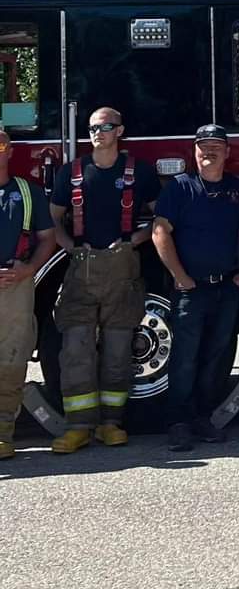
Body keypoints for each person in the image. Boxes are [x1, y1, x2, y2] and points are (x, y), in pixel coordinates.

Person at [48, 106, 160, 453]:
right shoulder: (73, 173)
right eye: (94, 127)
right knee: (76, 349)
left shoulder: (139, 173)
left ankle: (111, 424)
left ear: (120, 131)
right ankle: (78, 426)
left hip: (122, 271)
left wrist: (133, 242)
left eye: (106, 126)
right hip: (81, 269)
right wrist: (69, 248)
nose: (98, 133)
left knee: (117, 351)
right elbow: (52, 220)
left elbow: (161, 218)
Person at [152, 124, 239, 452]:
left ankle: (202, 417)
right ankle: (178, 423)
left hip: (226, 288)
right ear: (193, 151)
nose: (207, 152)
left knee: (217, 356)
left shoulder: (237, 190)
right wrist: (180, 276)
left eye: (215, 146)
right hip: (191, 291)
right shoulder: (179, 189)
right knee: (185, 357)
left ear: (227, 152)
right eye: (202, 146)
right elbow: (159, 232)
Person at [0, 129, 56, 459]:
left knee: (11, 360)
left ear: (9, 151)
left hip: (16, 284)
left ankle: (3, 433)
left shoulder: (29, 193)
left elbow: (47, 238)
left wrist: (29, 269)